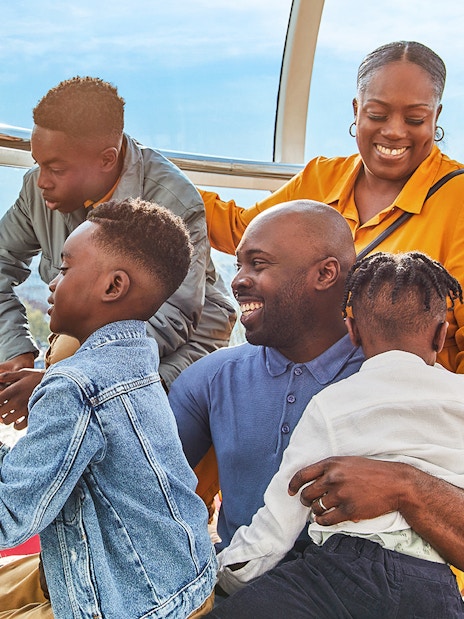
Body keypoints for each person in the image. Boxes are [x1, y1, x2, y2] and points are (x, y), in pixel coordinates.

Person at [209, 251, 464, 618]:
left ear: (354, 331)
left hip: (337, 575)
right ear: (441, 335)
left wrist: (226, 574)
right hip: (432, 588)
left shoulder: (332, 404)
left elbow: (279, 524)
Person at [0, 197, 216, 619]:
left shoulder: (75, 387)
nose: (52, 284)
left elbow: (9, 518)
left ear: (113, 287)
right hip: (186, 581)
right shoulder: (136, 359)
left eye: (63, 269)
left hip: (135, 606)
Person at [200, 40, 464, 374]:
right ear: (356, 110)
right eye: (377, 114)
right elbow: (241, 230)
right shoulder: (322, 178)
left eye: (414, 119)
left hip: (405, 399)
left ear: (435, 116)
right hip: (308, 378)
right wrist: (146, 175)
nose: (394, 131)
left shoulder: (458, 198)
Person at [0, 75, 235, 431]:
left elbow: (172, 319)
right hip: (80, 351)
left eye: (56, 168)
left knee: (114, 426)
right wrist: (15, 351)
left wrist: (62, 380)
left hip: (176, 349)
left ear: (107, 159)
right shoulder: (39, 190)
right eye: (38, 163)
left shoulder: (174, 200)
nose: (41, 180)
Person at [169, 200, 365, 552]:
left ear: (325, 274)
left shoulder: (388, 379)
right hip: (233, 589)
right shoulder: (210, 379)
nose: (239, 280)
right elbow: (141, 489)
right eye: (239, 264)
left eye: (258, 264)